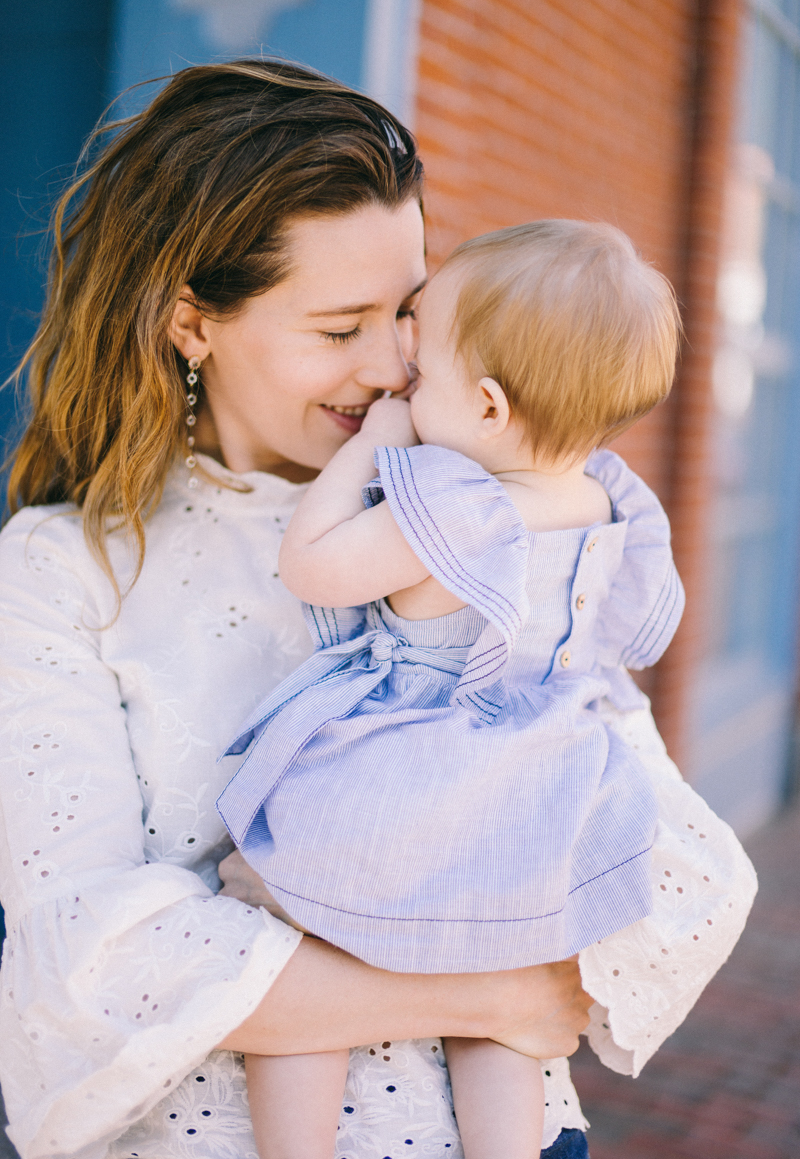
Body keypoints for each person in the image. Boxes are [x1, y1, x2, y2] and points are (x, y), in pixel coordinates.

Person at [0, 60, 755, 1159]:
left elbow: (675, 866)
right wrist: (495, 995)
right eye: (340, 324)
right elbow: (88, 961)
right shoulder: (60, 571)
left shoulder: (471, 514)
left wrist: (296, 978)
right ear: (190, 323)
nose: (394, 364)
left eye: (406, 310)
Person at [215, 219, 678, 1159]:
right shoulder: (608, 498)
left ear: (492, 409)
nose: (398, 382)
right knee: (494, 998)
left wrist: (371, 451)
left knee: (305, 933)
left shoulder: (456, 502)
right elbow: (625, 627)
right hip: (536, 786)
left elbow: (312, 567)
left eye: (421, 379)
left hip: (410, 778)